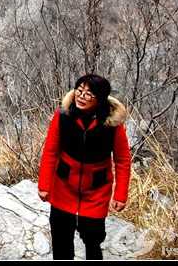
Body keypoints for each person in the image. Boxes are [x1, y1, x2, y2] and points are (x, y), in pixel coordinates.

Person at [37, 74, 131, 260]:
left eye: (89, 94)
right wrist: (44, 185)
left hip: (96, 188)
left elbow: (122, 160)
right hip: (64, 184)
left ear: (100, 98)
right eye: (79, 90)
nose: (81, 96)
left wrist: (120, 194)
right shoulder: (63, 115)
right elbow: (50, 151)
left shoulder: (112, 123)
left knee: (93, 238)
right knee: (61, 236)